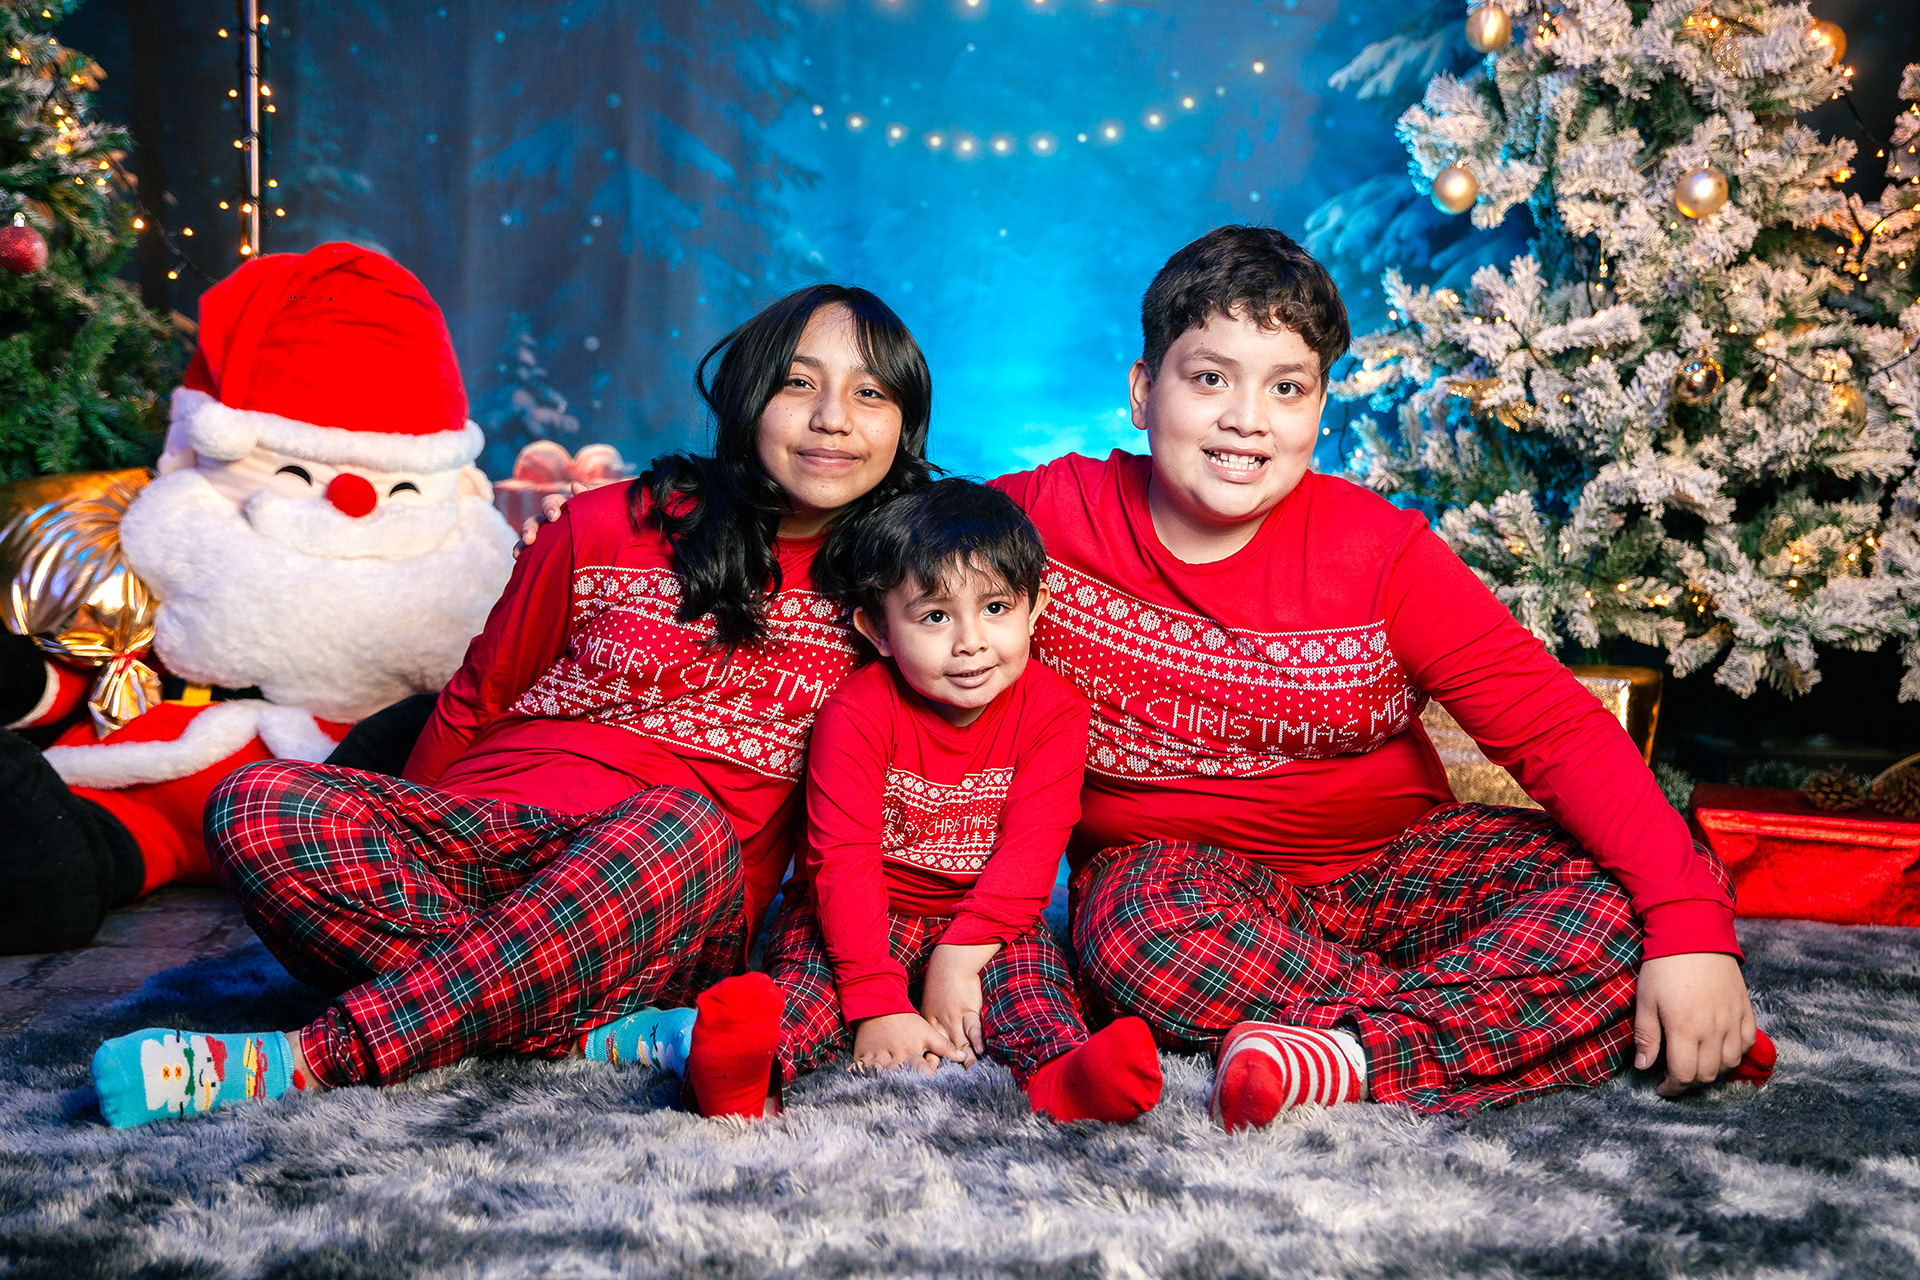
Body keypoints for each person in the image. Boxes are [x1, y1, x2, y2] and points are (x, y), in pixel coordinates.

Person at [88, 284, 934, 1128]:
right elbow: (477, 696)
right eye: (797, 382)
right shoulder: (607, 521)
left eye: (870, 393)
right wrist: (411, 831)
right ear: (748, 395)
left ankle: (308, 1058)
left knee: (677, 821)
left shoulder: (905, 593)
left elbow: (1012, 540)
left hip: (663, 891)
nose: (832, 418)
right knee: (255, 802)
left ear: (904, 425)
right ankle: (583, 1028)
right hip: (478, 844)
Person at [991, 225, 1774, 1128]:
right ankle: (1507, 1020)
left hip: (1397, 868)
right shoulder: (1044, 520)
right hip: (1184, 891)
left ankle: (1336, 1052)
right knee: (1134, 933)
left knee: (1641, 894)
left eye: (1287, 388)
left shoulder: (1383, 552)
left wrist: (1687, 928)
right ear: (1142, 390)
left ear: (1319, 408)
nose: (1247, 418)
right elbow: (894, 569)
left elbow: (1555, 730)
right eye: (1209, 379)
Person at [681, 480, 1164, 1124]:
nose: (971, 642)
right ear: (878, 629)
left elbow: (1031, 853)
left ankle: (1064, 1075)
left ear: (1036, 608)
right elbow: (841, 859)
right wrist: (877, 999)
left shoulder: (1056, 712)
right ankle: (744, 1077)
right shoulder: (857, 711)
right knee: (808, 986)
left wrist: (960, 957)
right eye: (935, 616)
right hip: (857, 912)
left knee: (1034, 989)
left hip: (986, 920)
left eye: (996, 608)